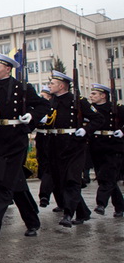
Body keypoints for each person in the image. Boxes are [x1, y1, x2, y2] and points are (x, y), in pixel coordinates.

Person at [0, 53, 49, 240]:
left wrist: (31, 116)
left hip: (14, 138)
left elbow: (43, 106)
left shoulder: (21, 88)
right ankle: (32, 222)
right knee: (15, 181)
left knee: (1, 183)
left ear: (8, 69)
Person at [43, 71, 103, 227]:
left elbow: (98, 118)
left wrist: (86, 130)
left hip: (74, 144)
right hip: (55, 144)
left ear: (62, 86)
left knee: (72, 180)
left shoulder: (78, 101)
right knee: (61, 181)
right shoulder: (52, 101)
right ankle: (83, 212)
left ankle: (68, 214)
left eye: (52, 83)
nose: (49, 85)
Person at [87, 83, 124, 217]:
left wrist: (122, 131)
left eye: (94, 94)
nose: (91, 96)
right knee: (107, 179)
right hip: (97, 146)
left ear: (103, 96)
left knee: (106, 176)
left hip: (113, 146)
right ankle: (120, 207)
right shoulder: (91, 110)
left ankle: (101, 204)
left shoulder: (117, 108)